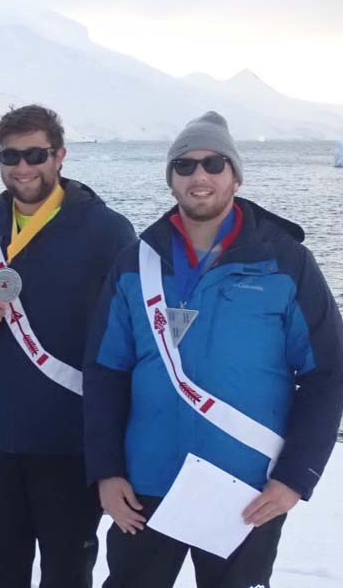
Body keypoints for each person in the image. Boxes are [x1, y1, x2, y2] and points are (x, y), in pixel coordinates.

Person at [83, 111, 343, 588]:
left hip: (245, 488)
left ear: (235, 176)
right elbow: (105, 372)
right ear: (171, 179)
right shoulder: (135, 263)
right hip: (146, 485)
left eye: (214, 163)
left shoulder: (286, 262)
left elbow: (328, 373)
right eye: (184, 165)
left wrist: (295, 477)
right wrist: (106, 471)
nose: (199, 176)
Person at [0, 104, 136, 588]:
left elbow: (131, 336)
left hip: (71, 444)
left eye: (35, 154)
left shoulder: (107, 233)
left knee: (66, 574)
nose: (22, 167)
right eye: (10, 156)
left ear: (59, 156)